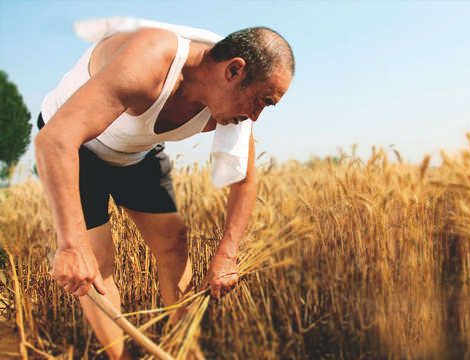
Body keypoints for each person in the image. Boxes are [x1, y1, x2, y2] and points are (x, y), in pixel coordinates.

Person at [35, 22, 294, 359]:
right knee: (98, 266)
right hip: (77, 147)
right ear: (234, 70)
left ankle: (184, 351)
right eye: (261, 101)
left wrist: (227, 256)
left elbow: (244, 178)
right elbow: (55, 140)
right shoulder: (149, 63)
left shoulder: (232, 111)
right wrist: (70, 245)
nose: (256, 116)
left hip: (135, 150)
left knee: (174, 242)